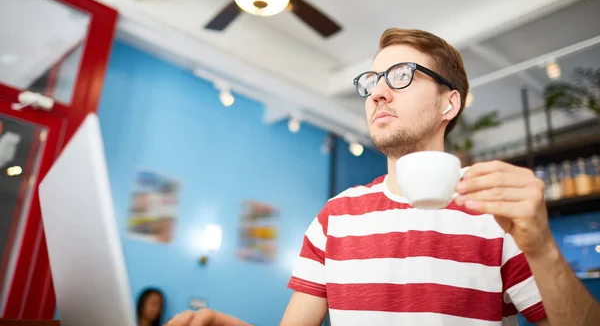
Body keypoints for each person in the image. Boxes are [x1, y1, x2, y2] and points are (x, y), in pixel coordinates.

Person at [166, 29, 600, 325]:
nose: (377, 92)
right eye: (373, 80)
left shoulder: (494, 207)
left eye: (401, 76)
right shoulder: (335, 217)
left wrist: (541, 247)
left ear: (449, 105)